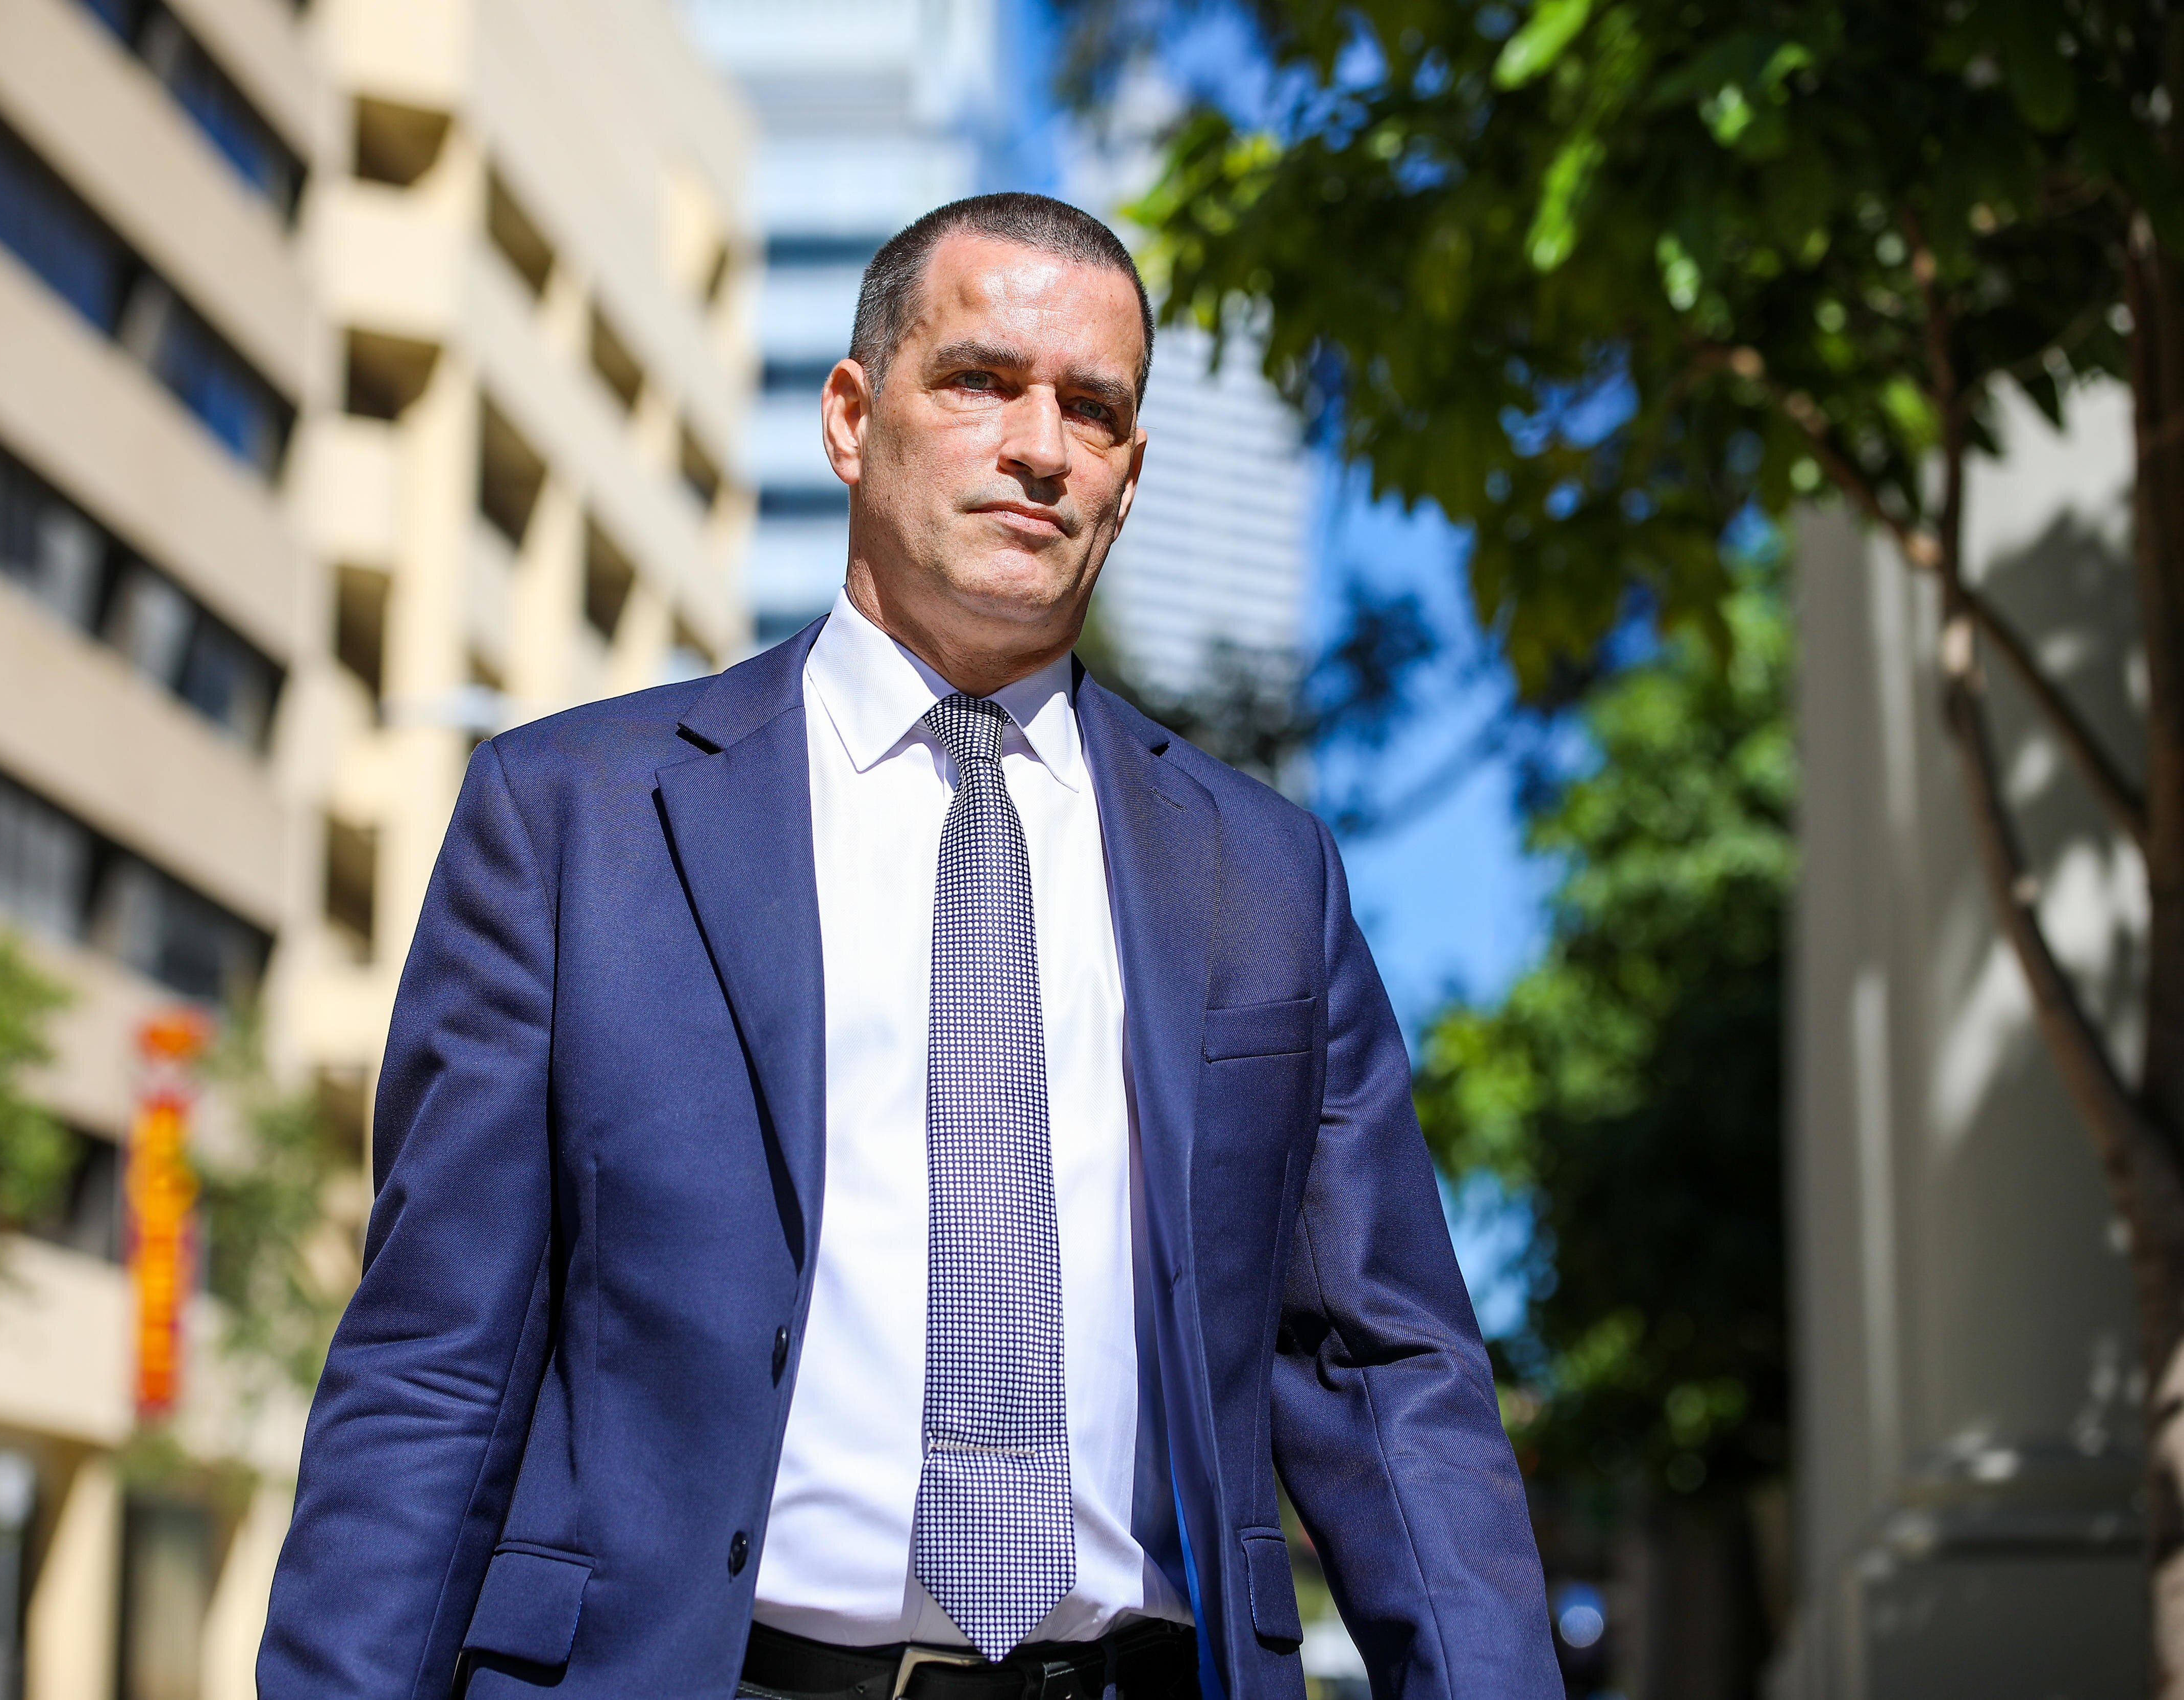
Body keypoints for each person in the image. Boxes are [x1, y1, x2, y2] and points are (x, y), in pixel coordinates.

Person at [259, 192, 1558, 1700]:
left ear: (1129, 477)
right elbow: (434, 1368)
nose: (1040, 445)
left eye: (1094, 409)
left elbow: (1387, 1375)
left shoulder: (1262, 873)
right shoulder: (572, 824)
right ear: (850, 418)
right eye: (981, 381)